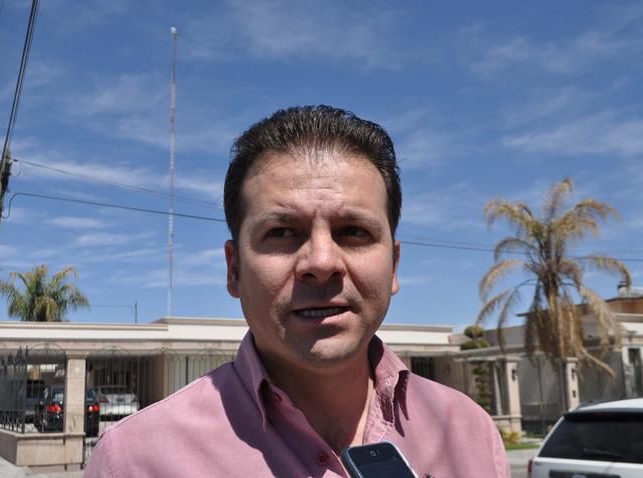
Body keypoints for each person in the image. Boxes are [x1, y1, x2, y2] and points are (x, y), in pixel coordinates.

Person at [85, 106, 509, 477]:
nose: (321, 262)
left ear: (394, 265)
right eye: (282, 232)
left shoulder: (469, 433)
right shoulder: (136, 461)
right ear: (234, 269)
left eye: (353, 231)